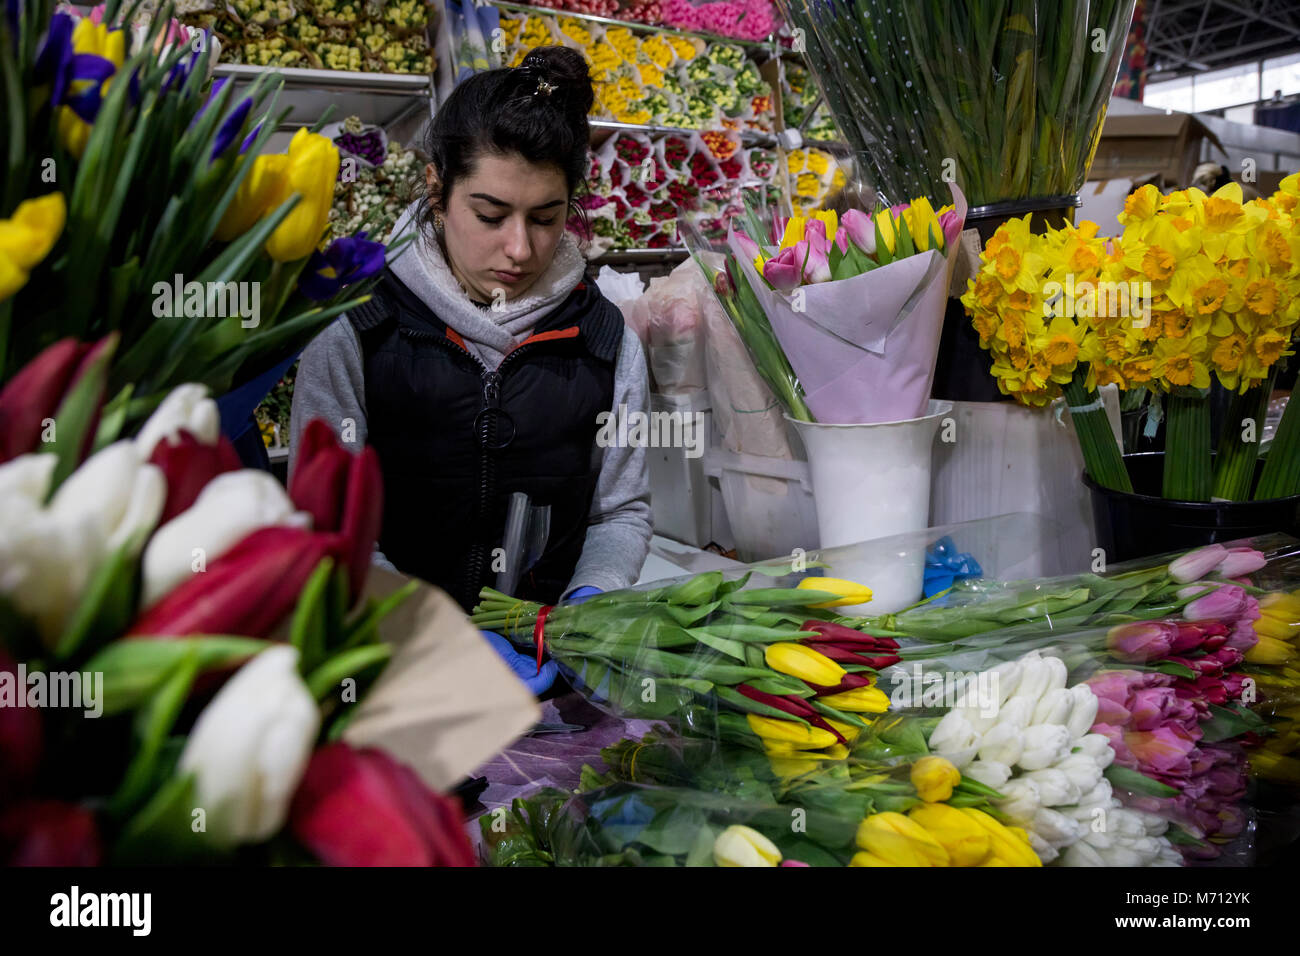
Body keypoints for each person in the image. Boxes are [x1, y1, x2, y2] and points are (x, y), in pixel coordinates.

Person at [289, 46, 653, 692]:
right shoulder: (356, 325)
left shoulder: (605, 340)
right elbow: (326, 522)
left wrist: (589, 606)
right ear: (436, 188)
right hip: (384, 671)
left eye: (546, 218)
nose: (520, 248)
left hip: (544, 676)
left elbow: (619, 512)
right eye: (490, 215)